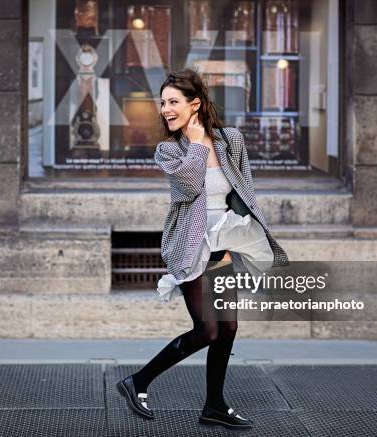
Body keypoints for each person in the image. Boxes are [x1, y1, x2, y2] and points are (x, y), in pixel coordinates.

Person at [116, 68, 288, 430]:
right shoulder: (169, 150)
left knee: (228, 328)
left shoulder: (230, 140)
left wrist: (243, 239)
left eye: (173, 101)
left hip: (224, 241)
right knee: (207, 330)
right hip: (192, 245)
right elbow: (191, 188)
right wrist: (195, 144)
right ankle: (138, 381)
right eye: (162, 103)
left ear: (195, 103)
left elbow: (244, 191)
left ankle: (214, 405)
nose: (165, 109)